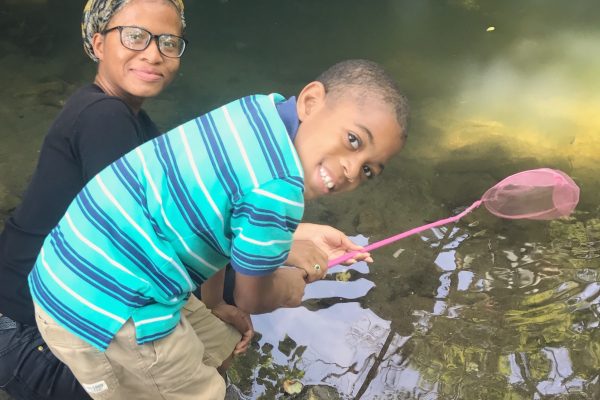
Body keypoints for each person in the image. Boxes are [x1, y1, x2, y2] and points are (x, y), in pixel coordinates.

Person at [28, 58, 409, 399]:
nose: (351, 170)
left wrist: (214, 305)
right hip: (104, 308)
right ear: (311, 101)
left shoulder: (257, 111)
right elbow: (254, 298)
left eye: (368, 170)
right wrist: (297, 281)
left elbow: (218, 229)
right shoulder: (279, 187)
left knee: (222, 342)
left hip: (78, 263)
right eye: (353, 140)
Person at [0, 0, 188, 399]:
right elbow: (143, 246)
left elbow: (181, 205)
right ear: (99, 44)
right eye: (135, 36)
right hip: (23, 329)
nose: (153, 53)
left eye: (169, 42)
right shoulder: (105, 117)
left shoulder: (131, 120)